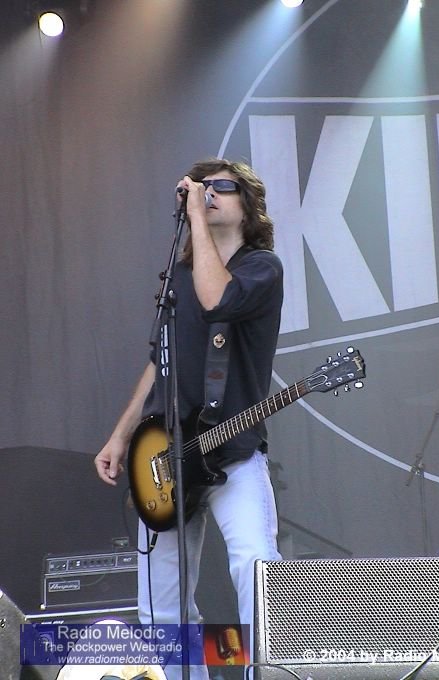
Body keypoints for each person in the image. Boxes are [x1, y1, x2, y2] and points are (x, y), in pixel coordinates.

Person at [94, 158, 283, 679]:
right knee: (162, 607)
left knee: (258, 574)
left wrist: (196, 214)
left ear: (248, 204)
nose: (208, 193)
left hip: (233, 453)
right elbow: (159, 363)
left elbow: (216, 298)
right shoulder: (178, 276)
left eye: (222, 187)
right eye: (201, 187)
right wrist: (120, 435)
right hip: (165, 454)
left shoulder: (261, 268)